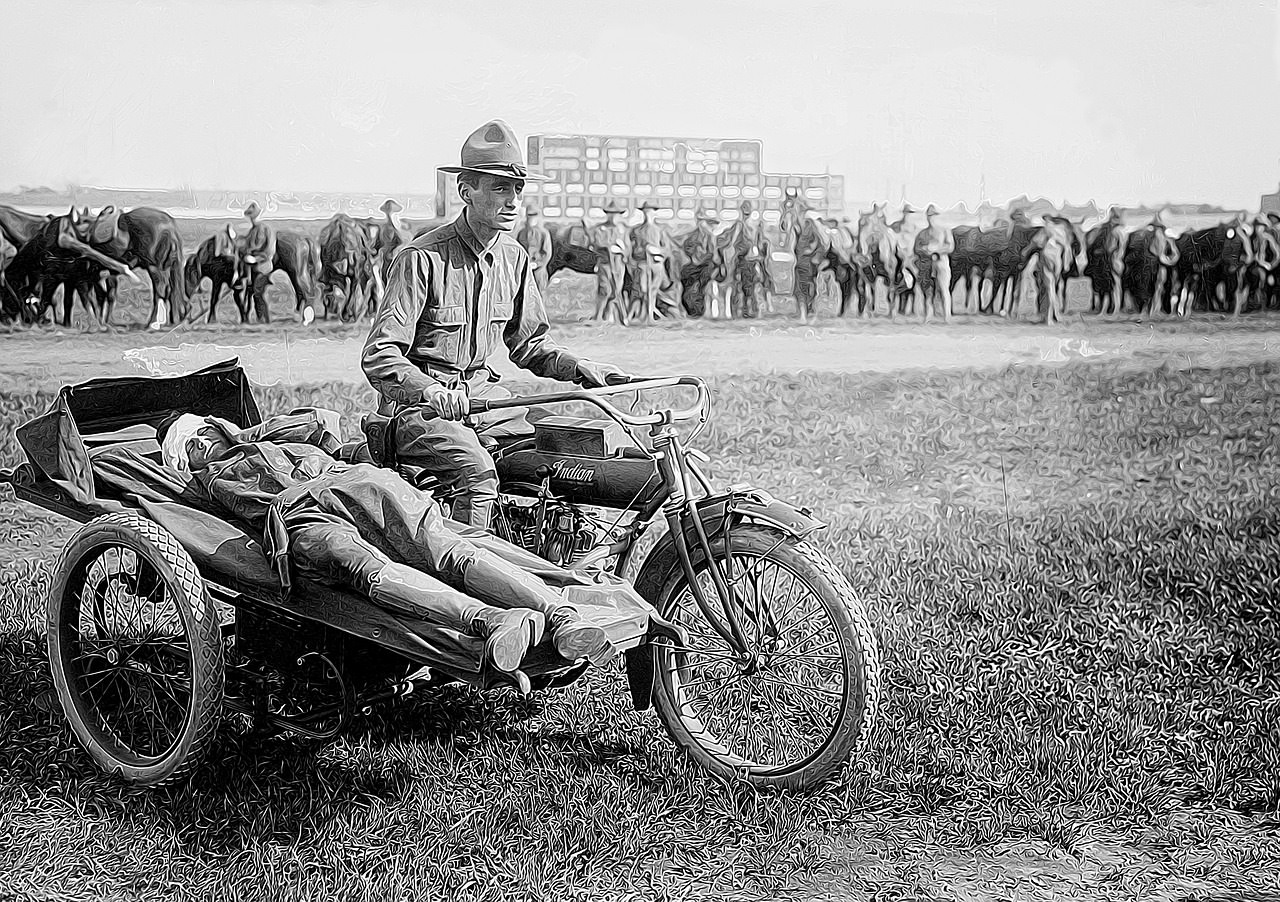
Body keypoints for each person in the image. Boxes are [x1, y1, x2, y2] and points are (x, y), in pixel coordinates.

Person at [158, 410, 620, 691]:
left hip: (354, 484)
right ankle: (495, 621)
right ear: (184, 464)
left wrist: (254, 431)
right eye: (188, 448)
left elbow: (323, 423)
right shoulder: (201, 485)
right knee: (362, 567)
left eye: (201, 431)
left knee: (444, 547)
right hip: (300, 519)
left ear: (218, 425)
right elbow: (169, 502)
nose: (201, 442)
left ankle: (561, 617)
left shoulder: (270, 435)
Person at [362, 119, 632, 531]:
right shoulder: (421, 258)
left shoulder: (514, 258)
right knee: (477, 476)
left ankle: (558, 555)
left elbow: (530, 345)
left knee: (564, 459)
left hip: (487, 402)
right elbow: (380, 356)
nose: (512, 200)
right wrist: (430, 389)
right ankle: (473, 582)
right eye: (499, 187)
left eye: (517, 188)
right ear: (465, 191)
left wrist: (582, 369)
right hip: (420, 411)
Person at [589, 199, 631, 324]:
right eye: (610, 213)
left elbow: (628, 249)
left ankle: (612, 316)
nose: (613, 217)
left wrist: (620, 250)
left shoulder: (622, 230)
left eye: (616, 214)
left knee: (616, 290)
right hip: (605, 264)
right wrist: (606, 248)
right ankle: (598, 316)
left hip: (618, 264)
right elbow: (594, 246)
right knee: (604, 289)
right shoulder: (600, 229)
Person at [628, 200, 670, 323]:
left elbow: (667, 249)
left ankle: (651, 314)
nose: (648, 214)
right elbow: (632, 249)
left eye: (650, 212)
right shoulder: (636, 230)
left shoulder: (660, 230)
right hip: (642, 265)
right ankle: (641, 314)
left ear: (654, 213)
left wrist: (657, 251)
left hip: (656, 265)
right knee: (642, 289)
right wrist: (643, 250)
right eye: (646, 212)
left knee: (653, 290)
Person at [914, 204, 955, 321]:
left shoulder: (945, 231)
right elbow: (916, 248)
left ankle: (947, 315)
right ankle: (929, 316)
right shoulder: (922, 234)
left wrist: (937, 249)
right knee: (928, 290)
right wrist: (925, 250)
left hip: (941, 263)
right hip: (927, 264)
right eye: (929, 216)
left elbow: (950, 247)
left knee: (943, 289)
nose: (931, 218)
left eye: (933, 216)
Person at [238, 201, 276, 323]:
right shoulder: (252, 231)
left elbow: (269, 251)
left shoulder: (265, 230)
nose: (251, 219)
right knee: (255, 293)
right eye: (250, 217)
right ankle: (261, 319)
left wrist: (255, 259)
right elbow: (246, 246)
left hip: (263, 267)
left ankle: (264, 319)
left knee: (258, 293)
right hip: (254, 268)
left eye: (252, 216)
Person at [679, 209, 719, 318]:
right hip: (694, 265)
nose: (701, 223)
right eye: (700, 221)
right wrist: (693, 256)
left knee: (700, 283)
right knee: (686, 276)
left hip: (706, 265)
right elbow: (686, 247)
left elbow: (713, 254)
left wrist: (704, 257)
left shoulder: (710, 237)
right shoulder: (693, 236)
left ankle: (698, 309)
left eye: (703, 221)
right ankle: (691, 309)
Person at [516, 205, 554, 297]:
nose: (532, 218)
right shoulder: (522, 233)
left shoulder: (544, 233)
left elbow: (547, 253)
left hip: (539, 272)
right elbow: (518, 251)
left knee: (539, 296)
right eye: (529, 215)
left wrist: (538, 263)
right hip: (525, 270)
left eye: (534, 214)